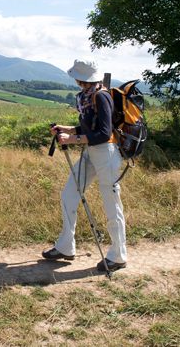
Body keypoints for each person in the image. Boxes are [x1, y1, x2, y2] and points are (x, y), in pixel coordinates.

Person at [43, 59, 128, 272]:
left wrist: (72, 140)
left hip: (106, 155)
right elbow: (88, 127)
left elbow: (103, 133)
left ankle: (118, 256)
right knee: (69, 194)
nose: (76, 81)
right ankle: (65, 247)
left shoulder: (101, 96)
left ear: (83, 79)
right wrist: (70, 130)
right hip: (91, 152)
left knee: (111, 204)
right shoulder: (88, 96)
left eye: (77, 78)